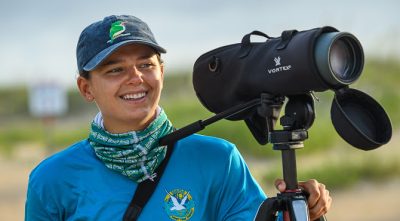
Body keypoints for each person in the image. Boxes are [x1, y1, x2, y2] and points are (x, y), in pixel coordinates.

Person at [25, 15, 331, 221]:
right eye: (115, 69)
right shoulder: (52, 179)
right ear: (86, 88)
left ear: (162, 72)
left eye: (146, 64)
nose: (135, 78)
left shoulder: (218, 159)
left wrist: (302, 210)